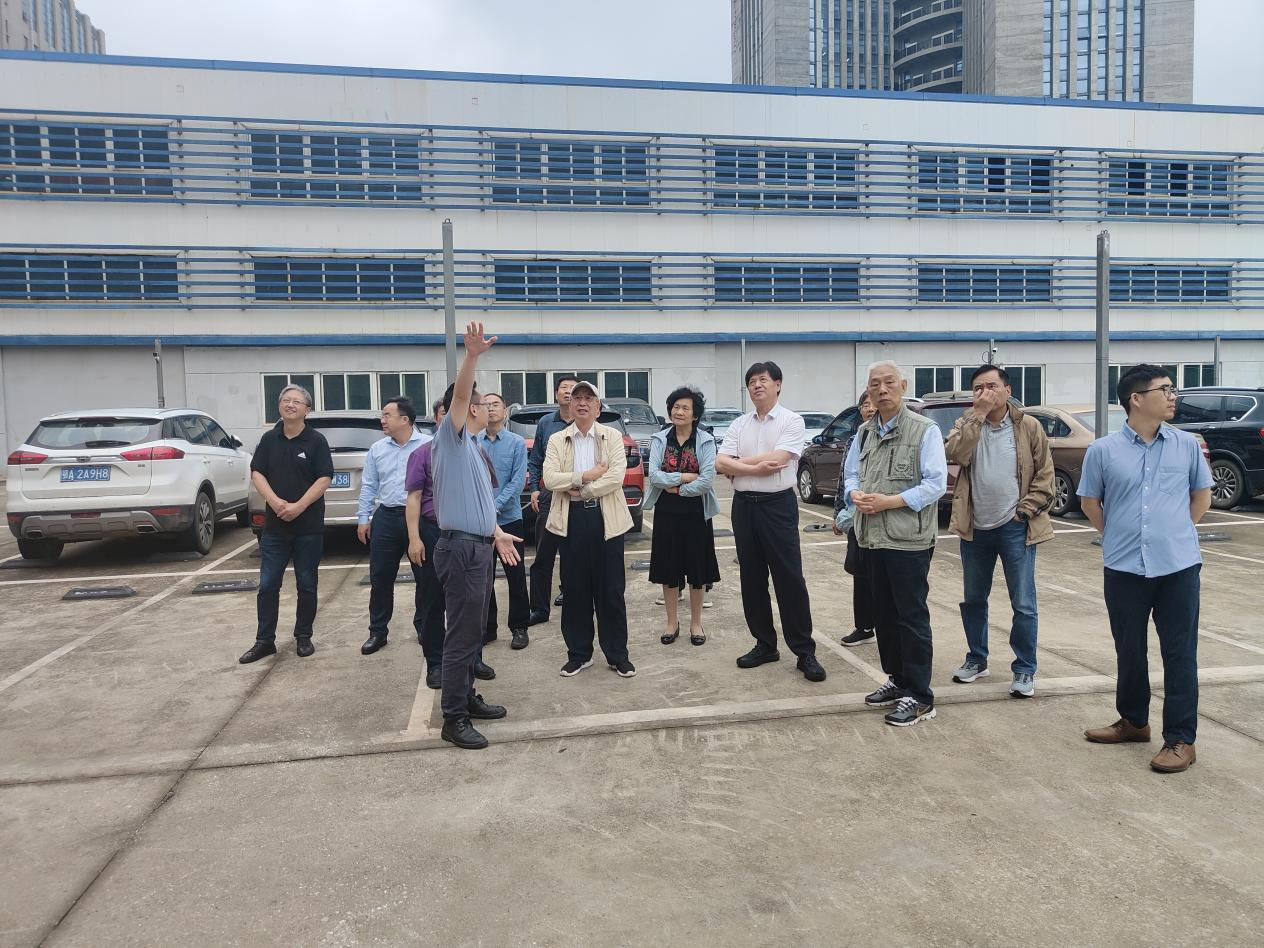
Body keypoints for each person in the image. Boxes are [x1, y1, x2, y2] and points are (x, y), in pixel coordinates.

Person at [1079, 364, 1213, 774]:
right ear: (1136, 399)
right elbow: (1090, 503)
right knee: (1129, 649)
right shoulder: (1103, 450)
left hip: (1178, 567)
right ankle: (1134, 722)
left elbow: (1202, 496)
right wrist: (1118, 535)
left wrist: (1174, 532)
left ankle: (1181, 739)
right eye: (1165, 389)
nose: (1173, 396)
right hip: (1124, 568)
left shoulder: (1186, 445)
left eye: (1173, 389)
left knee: (1179, 653)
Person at [421, 322, 523, 750]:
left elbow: (479, 504)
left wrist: (497, 533)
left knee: (473, 632)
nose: (485, 407)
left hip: (478, 547)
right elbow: (460, 397)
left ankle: (466, 698)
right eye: (482, 403)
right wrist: (472, 357)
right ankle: (454, 718)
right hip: (460, 549)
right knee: (461, 636)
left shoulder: (476, 451)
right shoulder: (451, 439)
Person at [843, 361, 947, 726]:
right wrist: (853, 493)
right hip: (872, 538)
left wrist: (890, 501)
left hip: (908, 541)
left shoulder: (924, 430)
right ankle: (898, 680)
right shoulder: (864, 433)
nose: (882, 389)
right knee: (883, 616)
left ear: (903, 386)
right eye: (875, 384)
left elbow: (935, 484)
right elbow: (852, 473)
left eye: (889, 382)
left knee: (910, 617)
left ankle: (920, 696)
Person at [945, 365, 1055, 697]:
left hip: (1015, 527)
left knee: (1023, 603)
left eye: (991, 386)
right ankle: (977, 659)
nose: (985, 393)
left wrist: (1024, 511)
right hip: (975, 527)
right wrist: (977, 416)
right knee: (973, 599)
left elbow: (1045, 475)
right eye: (978, 388)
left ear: (1008, 391)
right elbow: (954, 454)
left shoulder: (1028, 426)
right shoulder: (966, 423)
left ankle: (1024, 668)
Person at [717, 362, 826, 683]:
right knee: (752, 578)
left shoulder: (792, 420)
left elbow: (779, 459)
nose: (757, 386)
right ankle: (765, 644)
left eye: (763, 380)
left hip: (777, 506)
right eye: (751, 381)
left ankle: (804, 651)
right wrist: (753, 468)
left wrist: (738, 465)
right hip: (743, 507)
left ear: (778, 384)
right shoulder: (739, 424)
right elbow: (720, 463)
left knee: (789, 578)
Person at [542, 380, 636, 678]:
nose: (582, 403)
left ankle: (617, 655)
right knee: (574, 590)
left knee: (611, 590)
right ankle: (579, 654)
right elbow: (550, 479)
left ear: (598, 407)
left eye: (588, 398)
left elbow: (616, 477)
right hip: (571, 520)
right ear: (570, 406)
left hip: (607, 520)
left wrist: (582, 489)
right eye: (577, 398)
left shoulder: (612, 436)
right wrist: (587, 474)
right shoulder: (558, 439)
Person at [239, 384, 333, 663]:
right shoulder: (269, 439)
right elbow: (257, 472)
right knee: (268, 585)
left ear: (307, 409)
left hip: (308, 528)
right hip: (275, 528)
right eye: (285, 400)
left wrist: (299, 506)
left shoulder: (316, 441)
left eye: (296, 401)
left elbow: (324, 478)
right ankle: (264, 641)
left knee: (307, 584)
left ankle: (303, 636)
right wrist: (275, 502)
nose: (290, 405)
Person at [644, 385, 721, 646]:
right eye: (675, 407)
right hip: (666, 511)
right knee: (668, 568)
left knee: (697, 569)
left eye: (685, 408)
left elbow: (707, 480)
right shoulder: (659, 439)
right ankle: (671, 622)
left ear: (695, 414)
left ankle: (696, 624)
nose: (679, 412)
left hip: (696, 512)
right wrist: (685, 477)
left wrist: (677, 488)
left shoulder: (706, 440)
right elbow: (654, 476)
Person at [357, 396, 428, 656]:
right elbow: (369, 485)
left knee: (425, 578)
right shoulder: (377, 449)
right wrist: (363, 518)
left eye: (387, 415)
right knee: (380, 577)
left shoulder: (428, 445)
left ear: (405, 419)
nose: (382, 420)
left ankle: (425, 627)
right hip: (386, 517)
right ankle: (378, 631)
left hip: (420, 518)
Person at [477, 393, 531, 650]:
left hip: (509, 519)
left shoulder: (516, 443)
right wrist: (484, 511)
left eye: (495, 404)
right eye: (485, 405)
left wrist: (494, 506)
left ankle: (520, 627)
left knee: (516, 576)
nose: (490, 408)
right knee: (483, 577)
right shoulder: (473, 441)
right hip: (480, 522)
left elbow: (518, 481)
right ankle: (488, 628)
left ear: (505, 411)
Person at [526, 375, 580, 625]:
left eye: (573, 389)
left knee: (575, 553)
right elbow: (535, 458)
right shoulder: (546, 423)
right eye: (564, 388)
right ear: (556, 394)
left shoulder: (586, 422)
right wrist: (534, 489)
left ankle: (571, 596)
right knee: (543, 555)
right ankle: (539, 608)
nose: (568, 392)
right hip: (550, 496)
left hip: (580, 497)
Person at [834, 391, 877, 646]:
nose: (870, 408)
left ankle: (887, 626)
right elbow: (845, 476)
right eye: (865, 404)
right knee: (859, 572)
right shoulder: (855, 438)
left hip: (885, 514)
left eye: (873, 403)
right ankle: (864, 627)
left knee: (884, 575)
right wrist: (838, 511)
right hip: (857, 516)